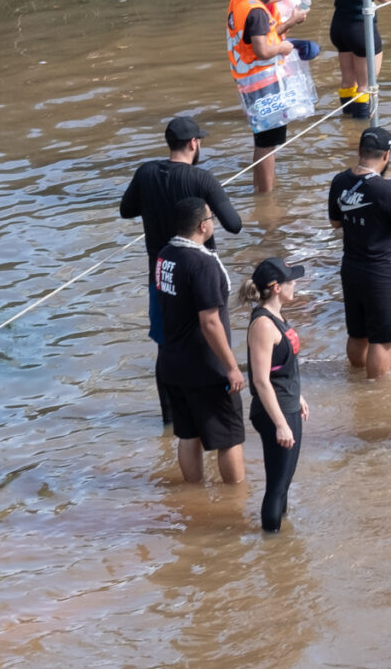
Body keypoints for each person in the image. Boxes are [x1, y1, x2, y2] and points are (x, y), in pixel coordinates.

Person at [121, 115, 243, 381]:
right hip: (199, 275)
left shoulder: (146, 173)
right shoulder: (202, 179)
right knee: (210, 346)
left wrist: (155, 205)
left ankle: (169, 417)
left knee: (167, 349)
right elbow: (235, 224)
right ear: (193, 143)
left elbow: (126, 210)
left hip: (161, 275)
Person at [155, 196, 247, 485]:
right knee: (229, 438)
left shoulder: (165, 255)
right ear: (203, 225)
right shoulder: (202, 264)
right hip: (206, 368)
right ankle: (235, 499)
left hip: (172, 363)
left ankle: (194, 494)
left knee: (187, 434)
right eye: (211, 218)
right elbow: (209, 322)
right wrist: (231, 366)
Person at [328, 125, 391, 380]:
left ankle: (355, 378)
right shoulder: (386, 189)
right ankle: (375, 393)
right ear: (386, 156)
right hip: (382, 272)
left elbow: (335, 223)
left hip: (351, 267)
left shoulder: (340, 181)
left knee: (357, 332)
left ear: (359, 150)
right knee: (382, 339)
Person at [227, 0, 315, 196]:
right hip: (263, 83)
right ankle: (266, 196)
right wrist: (283, 48)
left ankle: (260, 189)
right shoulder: (256, 12)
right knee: (268, 143)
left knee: (263, 139)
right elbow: (263, 50)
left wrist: (287, 20)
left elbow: (264, 31)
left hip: (248, 81)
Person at [243, 257, 307, 531]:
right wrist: (280, 424)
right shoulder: (263, 325)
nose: (295, 285)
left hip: (288, 404)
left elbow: (282, 366)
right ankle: (272, 545)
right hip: (274, 412)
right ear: (277, 287)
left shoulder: (277, 316)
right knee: (277, 486)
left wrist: (299, 396)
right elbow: (260, 379)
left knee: (285, 483)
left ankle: (282, 549)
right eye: (290, 281)